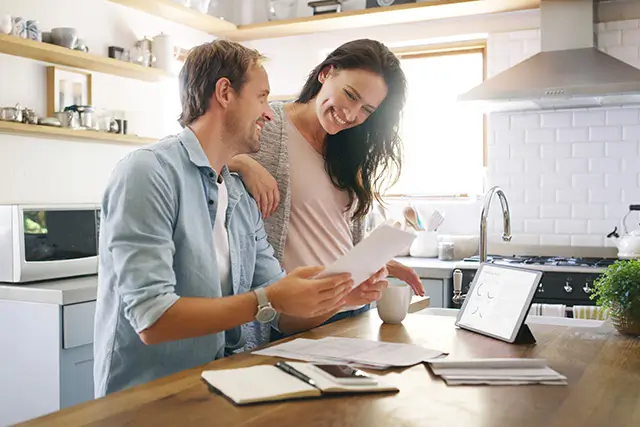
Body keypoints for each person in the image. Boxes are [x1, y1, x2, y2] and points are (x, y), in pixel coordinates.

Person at [93, 39, 389, 397]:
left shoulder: (239, 197)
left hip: (221, 387)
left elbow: (282, 313)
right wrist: (268, 299)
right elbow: (152, 319)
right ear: (224, 93)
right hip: (150, 399)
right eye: (262, 97)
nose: (269, 113)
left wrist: (338, 295)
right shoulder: (147, 173)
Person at [229, 39, 424, 335]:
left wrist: (374, 258)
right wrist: (244, 164)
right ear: (326, 73)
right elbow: (198, 148)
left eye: (366, 110)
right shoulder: (268, 124)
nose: (351, 114)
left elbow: (335, 231)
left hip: (353, 309)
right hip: (296, 316)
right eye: (349, 95)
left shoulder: (350, 148)